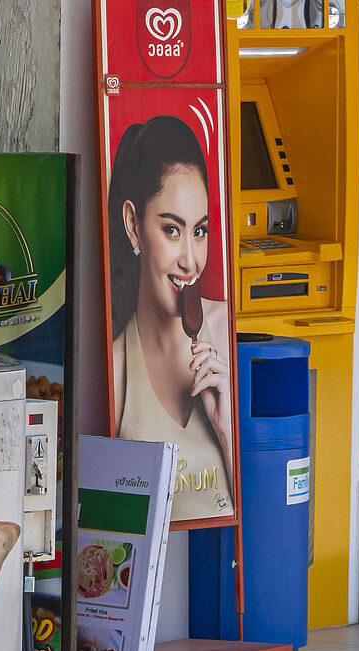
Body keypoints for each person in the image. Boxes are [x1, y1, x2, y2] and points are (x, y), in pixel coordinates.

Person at [107, 115, 236, 521]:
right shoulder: (115, 369)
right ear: (133, 226)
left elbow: (264, 516)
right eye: (171, 230)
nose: (190, 260)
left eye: (199, 231)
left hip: (220, 571)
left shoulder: (230, 331)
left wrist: (226, 424)